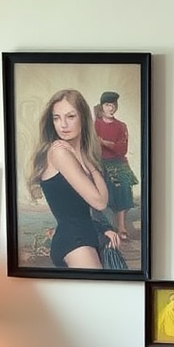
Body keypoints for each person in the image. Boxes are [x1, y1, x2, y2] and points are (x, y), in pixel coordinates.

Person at [26, 88, 114, 270]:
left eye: (70, 116)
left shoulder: (80, 153)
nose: (63, 125)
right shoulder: (59, 152)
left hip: (84, 237)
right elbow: (99, 202)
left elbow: (102, 201)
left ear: (83, 117)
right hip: (74, 242)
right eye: (56, 118)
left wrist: (86, 160)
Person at [93, 91, 138, 240]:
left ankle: (121, 226)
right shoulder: (95, 125)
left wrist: (104, 143)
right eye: (107, 105)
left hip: (118, 162)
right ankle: (104, 226)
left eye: (113, 105)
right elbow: (92, 146)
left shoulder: (121, 126)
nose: (110, 108)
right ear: (102, 107)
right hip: (101, 162)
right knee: (101, 189)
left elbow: (122, 149)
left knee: (124, 185)